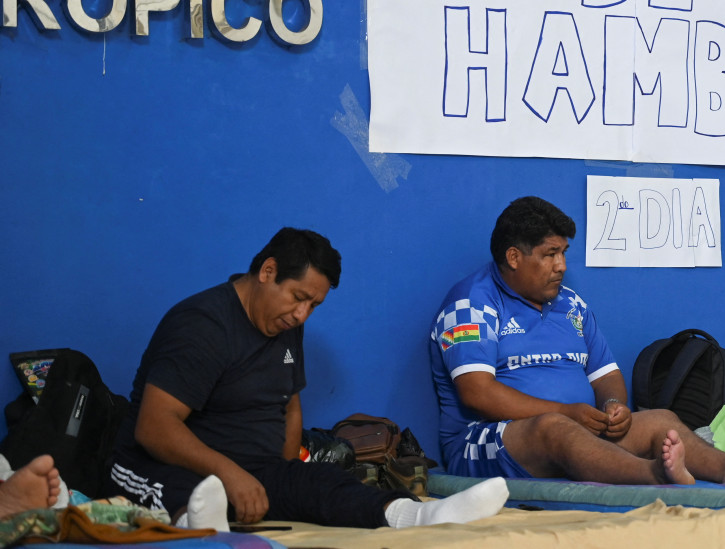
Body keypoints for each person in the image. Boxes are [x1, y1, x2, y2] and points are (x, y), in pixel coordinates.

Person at [109, 227, 508, 530]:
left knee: (323, 481)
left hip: (251, 470)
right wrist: (230, 476)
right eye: (298, 297)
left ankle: (419, 515)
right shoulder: (202, 325)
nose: (302, 315)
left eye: (313, 305)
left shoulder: (285, 323)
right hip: (158, 465)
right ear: (268, 271)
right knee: (185, 491)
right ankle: (197, 525)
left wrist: (285, 476)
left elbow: (289, 401)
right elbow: (154, 427)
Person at [429, 196, 725, 485]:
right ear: (513, 257)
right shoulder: (470, 303)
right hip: (484, 444)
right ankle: (655, 475)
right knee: (554, 429)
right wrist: (566, 413)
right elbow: (478, 393)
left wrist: (613, 409)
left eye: (563, 253)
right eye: (550, 254)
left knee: (660, 420)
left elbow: (605, 374)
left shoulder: (570, 305)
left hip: (572, 431)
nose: (561, 265)